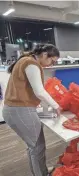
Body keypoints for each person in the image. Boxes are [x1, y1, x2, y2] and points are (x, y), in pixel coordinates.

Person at [2, 44, 61, 176]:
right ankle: (41, 173)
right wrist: (56, 106)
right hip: (20, 110)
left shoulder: (25, 60)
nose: (51, 65)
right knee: (37, 147)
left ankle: (40, 171)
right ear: (45, 54)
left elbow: (28, 89)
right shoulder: (32, 63)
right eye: (52, 60)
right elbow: (40, 91)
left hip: (13, 109)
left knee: (33, 146)